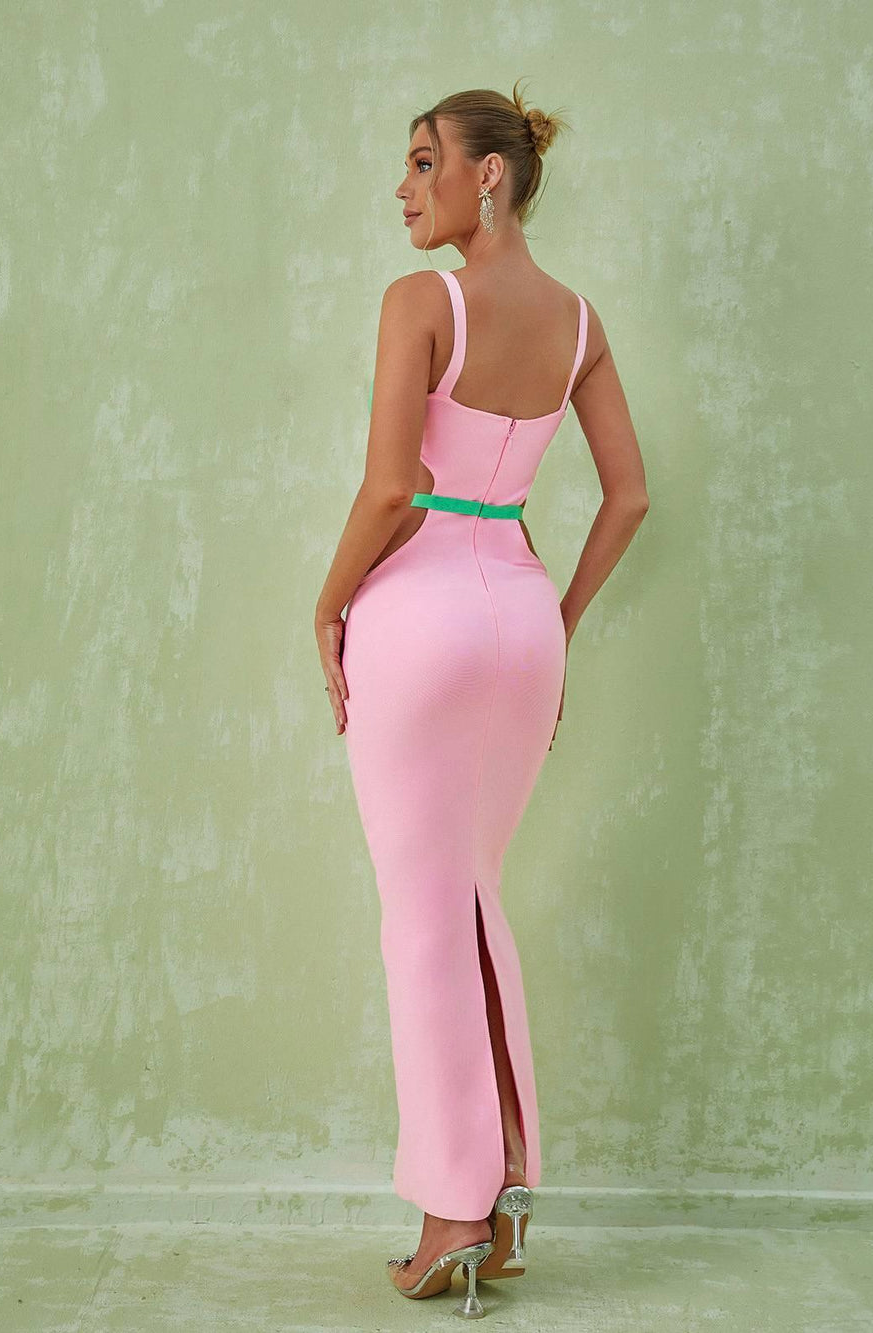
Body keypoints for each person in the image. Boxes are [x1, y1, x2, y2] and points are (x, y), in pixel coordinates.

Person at [314, 80, 648, 1317]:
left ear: (487, 174)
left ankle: (451, 1210)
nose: (405, 188)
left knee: (422, 917)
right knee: (472, 897)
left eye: (423, 162)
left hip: (421, 617)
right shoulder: (577, 321)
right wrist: (557, 621)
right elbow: (628, 495)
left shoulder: (423, 300)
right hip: (519, 611)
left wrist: (325, 605)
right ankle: (501, 1205)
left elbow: (391, 489)